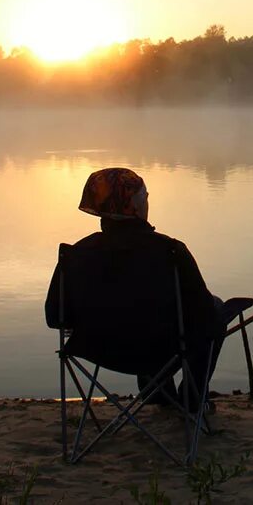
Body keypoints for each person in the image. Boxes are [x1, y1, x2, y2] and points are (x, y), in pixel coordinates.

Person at [45, 167, 227, 408]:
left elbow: (55, 317)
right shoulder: (170, 251)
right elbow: (202, 313)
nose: (147, 202)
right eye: (144, 197)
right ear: (134, 205)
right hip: (159, 350)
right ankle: (191, 398)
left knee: (147, 321)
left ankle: (159, 392)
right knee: (215, 310)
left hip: (97, 349)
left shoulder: (76, 253)